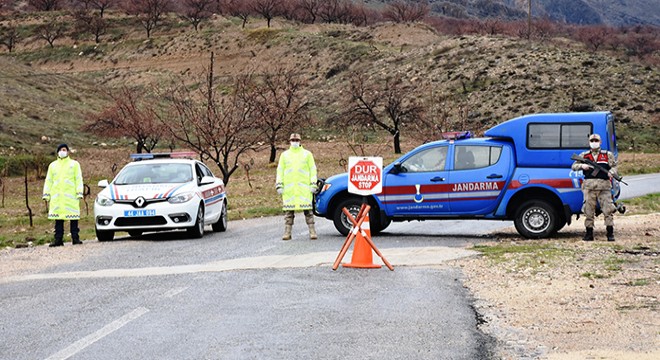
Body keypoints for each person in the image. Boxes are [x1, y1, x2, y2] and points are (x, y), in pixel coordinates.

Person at [571, 134, 618, 241]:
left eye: (596, 140)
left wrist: (611, 172)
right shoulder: (584, 155)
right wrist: (582, 166)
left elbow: (614, 166)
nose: (594, 142)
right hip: (589, 187)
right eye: (592, 140)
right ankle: (589, 233)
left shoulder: (607, 155)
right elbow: (573, 166)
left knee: (608, 210)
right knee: (588, 210)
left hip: (604, 187)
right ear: (589, 142)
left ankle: (610, 233)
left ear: (600, 142)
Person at [276, 133, 318, 240]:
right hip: (290, 190)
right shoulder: (285, 155)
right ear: (290, 141)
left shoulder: (307, 154)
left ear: (300, 141)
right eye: (293, 140)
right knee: (288, 213)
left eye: (296, 140)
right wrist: (279, 185)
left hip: (304, 189)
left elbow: (312, 169)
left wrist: (313, 184)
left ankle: (312, 231)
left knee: (308, 211)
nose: (294, 142)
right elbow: (280, 170)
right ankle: (287, 232)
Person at [42, 144, 84, 247]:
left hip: (71, 197)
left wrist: (79, 192)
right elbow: (49, 181)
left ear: (68, 152)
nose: (62, 151)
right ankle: (58, 240)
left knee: (73, 219)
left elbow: (78, 179)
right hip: (57, 198)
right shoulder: (53, 165)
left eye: (64, 150)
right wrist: (46, 194)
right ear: (57, 152)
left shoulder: (74, 164)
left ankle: (75, 238)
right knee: (58, 220)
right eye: (61, 150)